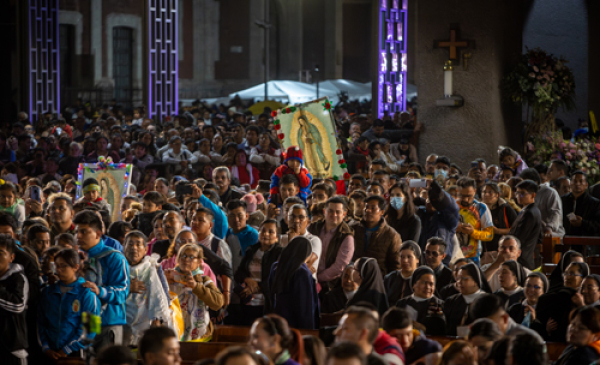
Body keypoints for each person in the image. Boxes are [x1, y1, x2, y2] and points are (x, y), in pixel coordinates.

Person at [74, 210, 130, 349]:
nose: (78, 236)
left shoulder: (114, 257)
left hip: (108, 321)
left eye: (84, 232)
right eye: (76, 232)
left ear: (98, 233)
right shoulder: (75, 258)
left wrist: (99, 291)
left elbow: (122, 292)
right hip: (85, 321)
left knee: (106, 360)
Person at [38, 248, 101, 362]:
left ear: (76, 267)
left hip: (75, 354)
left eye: (63, 266)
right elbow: (41, 323)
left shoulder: (87, 294)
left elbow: (91, 329)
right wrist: (46, 347)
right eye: (56, 265)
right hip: (49, 353)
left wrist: (67, 349)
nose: (58, 270)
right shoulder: (48, 292)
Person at [165, 243, 224, 341]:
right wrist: (162, 281)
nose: (186, 259)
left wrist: (196, 286)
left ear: (199, 262)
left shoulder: (204, 280)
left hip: (199, 335)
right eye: (183, 256)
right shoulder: (169, 277)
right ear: (177, 259)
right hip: (173, 334)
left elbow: (218, 303)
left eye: (191, 257)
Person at [123, 231, 171, 346]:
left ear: (145, 249)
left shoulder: (153, 267)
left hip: (145, 321)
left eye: (138, 244)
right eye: (130, 244)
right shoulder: (118, 267)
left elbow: (162, 295)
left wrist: (157, 318)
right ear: (124, 248)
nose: (134, 248)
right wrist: (127, 289)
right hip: (121, 321)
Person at [232, 219, 283, 324]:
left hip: (266, 303)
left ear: (277, 237)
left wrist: (257, 287)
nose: (266, 234)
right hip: (248, 301)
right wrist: (246, 279)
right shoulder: (251, 250)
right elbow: (239, 272)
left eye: (271, 232)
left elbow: (278, 278)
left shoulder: (280, 253)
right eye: (263, 230)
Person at [269, 236, 320, 329]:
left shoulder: (276, 267)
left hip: (278, 322)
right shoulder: (302, 272)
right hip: (296, 326)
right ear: (307, 254)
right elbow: (305, 308)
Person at [532, 262, 590, 342]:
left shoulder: (587, 297)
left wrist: (581, 305)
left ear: (582, 278)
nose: (567, 277)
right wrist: (546, 329)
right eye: (566, 273)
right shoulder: (555, 295)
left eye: (572, 274)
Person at [308, 196, 354, 291]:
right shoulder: (313, 228)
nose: (334, 214)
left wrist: (317, 277)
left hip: (331, 286)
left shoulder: (346, 237)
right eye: (330, 211)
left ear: (344, 214)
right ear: (324, 212)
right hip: (308, 277)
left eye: (338, 212)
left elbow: (339, 267)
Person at [350, 195, 402, 276]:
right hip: (353, 277)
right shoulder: (353, 229)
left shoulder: (392, 235)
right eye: (366, 207)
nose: (368, 210)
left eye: (373, 208)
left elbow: (395, 266)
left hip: (377, 280)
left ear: (382, 212)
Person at [0, 234, 29, 365]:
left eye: (0, 253)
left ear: (11, 257)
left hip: (12, 350)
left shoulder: (18, 278)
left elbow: (18, 305)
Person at [469, 293, 544, 343]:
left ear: (504, 318)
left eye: (491, 325)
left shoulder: (529, 341)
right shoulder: (479, 342)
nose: (486, 331)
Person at [417, 179, 459, 265]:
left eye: (434, 200)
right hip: (420, 263)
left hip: (442, 263)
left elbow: (452, 208)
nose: (431, 201)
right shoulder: (419, 215)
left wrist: (438, 190)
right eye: (429, 199)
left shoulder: (447, 220)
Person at [443, 262, 491, 336]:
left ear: (475, 281)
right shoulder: (451, 301)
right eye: (458, 278)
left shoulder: (488, 302)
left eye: (464, 279)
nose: (459, 282)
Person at [395, 266, 446, 335]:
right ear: (414, 284)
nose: (428, 287)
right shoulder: (402, 303)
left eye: (431, 284)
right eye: (424, 283)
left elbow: (443, 331)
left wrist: (423, 329)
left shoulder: (440, 305)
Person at [455, 177, 493, 265]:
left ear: (475, 191)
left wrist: (473, 232)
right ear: (457, 191)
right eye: (462, 195)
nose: (465, 199)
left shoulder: (481, 208)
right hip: (454, 255)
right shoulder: (452, 207)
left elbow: (490, 235)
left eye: (469, 196)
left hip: (473, 257)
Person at [519, 168, 564, 238]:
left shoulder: (549, 192)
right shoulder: (523, 194)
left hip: (552, 234)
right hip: (534, 233)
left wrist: (549, 228)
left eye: (525, 183)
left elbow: (556, 213)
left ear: (536, 182)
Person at [561, 171, 600, 248]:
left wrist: (582, 223)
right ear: (570, 184)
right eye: (575, 181)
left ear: (586, 185)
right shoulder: (562, 200)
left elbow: (598, 225)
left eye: (581, 181)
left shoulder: (595, 203)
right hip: (565, 242)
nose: (577, 184)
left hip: (586, 244)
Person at [509, 180, 542, 270]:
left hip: (522, 259)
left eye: (522, 193)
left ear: (533, 195)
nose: (519, 196)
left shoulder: (530, 213)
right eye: (517, 193)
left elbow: (520, 238)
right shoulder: (526, 210)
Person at [480, 182, 517, 264]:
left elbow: (516, 229)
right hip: (482, 251)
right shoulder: (477, 208)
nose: (486, 194)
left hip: (500, 250)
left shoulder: (505, 209)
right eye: (484, 192)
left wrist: (497, 231)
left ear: (498, 195)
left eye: (490, 192)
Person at [384, 241, 421, 305]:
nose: (405, 260)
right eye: (402, 257)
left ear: (417, 259)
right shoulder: (390, 278)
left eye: (409, 257)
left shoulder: (421, 279)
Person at [225, 199, 258, 272]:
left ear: (246, 216)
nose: (236, 219)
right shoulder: (227, 234)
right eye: (232, 216)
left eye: (240, 216)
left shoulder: (253, 236)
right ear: (227, 218)